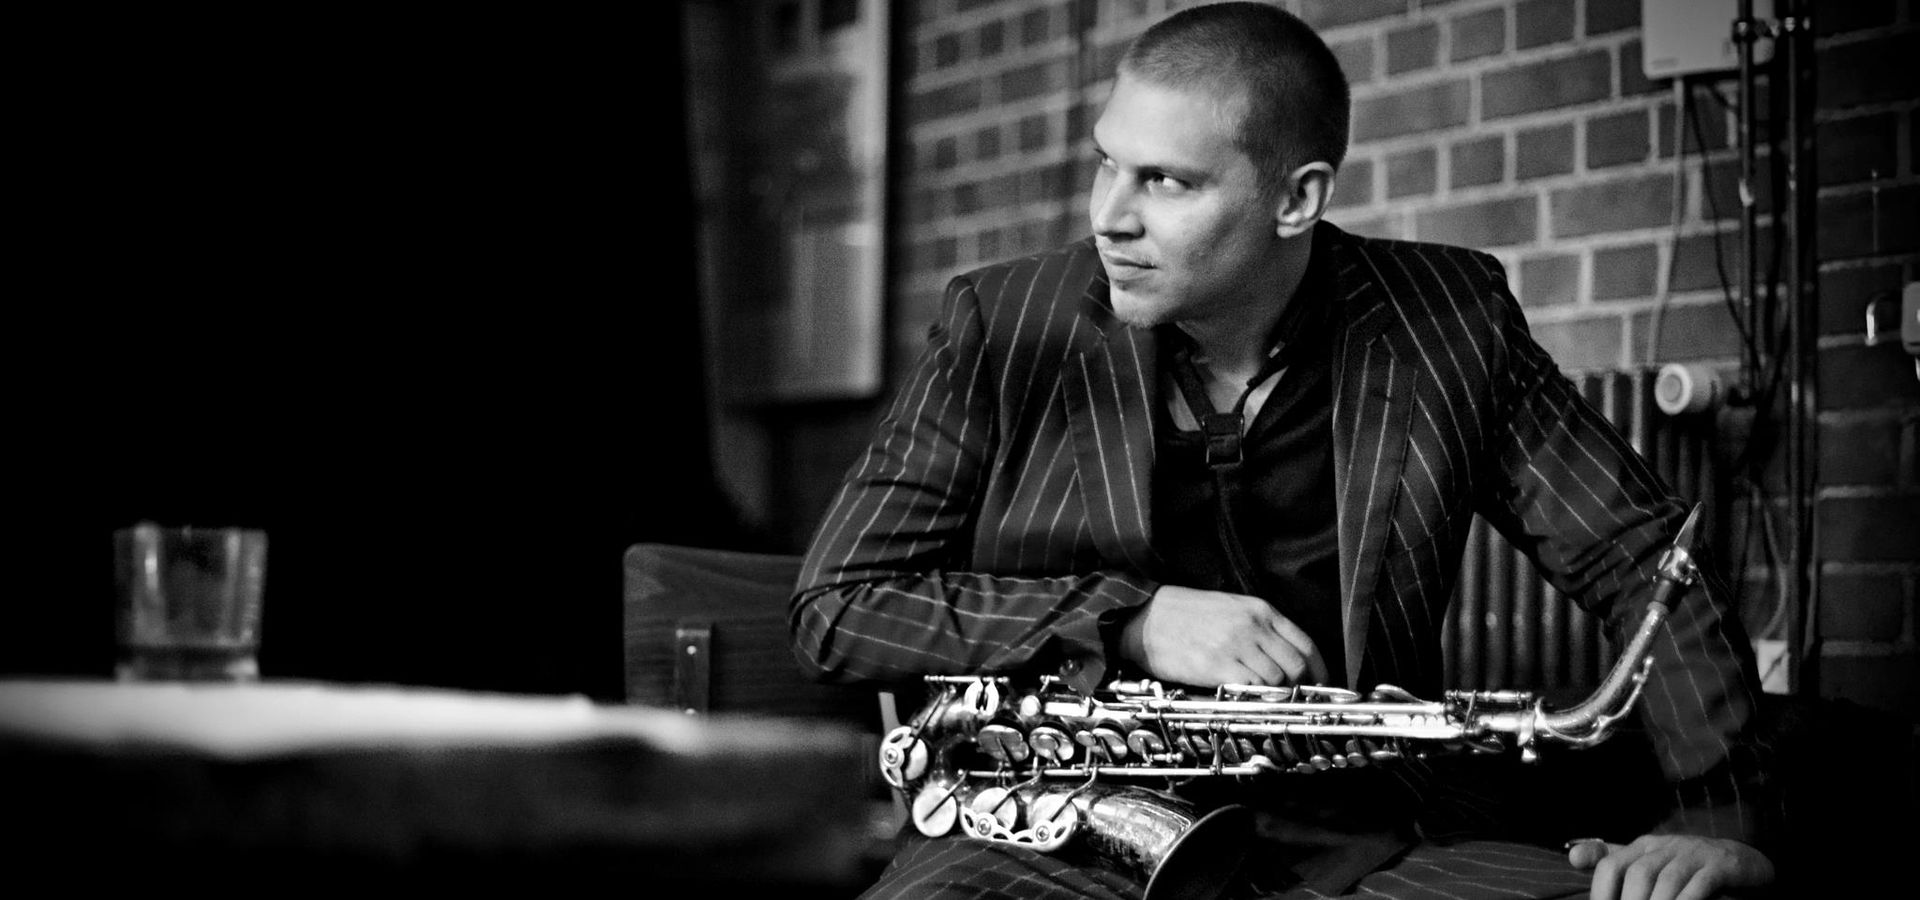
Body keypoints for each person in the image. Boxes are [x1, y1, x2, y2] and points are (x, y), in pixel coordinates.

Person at [788, 4, 1776, 898]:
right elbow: (839, 606)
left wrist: (1715, 821)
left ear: (1296, 199)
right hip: (1051, 838)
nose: (1108, 217)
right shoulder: (1002, 325)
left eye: (1164, 181)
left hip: (1359, 842)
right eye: (1105, 163)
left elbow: (1643, 558)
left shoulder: (1449, 324)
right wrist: (1128, 621)